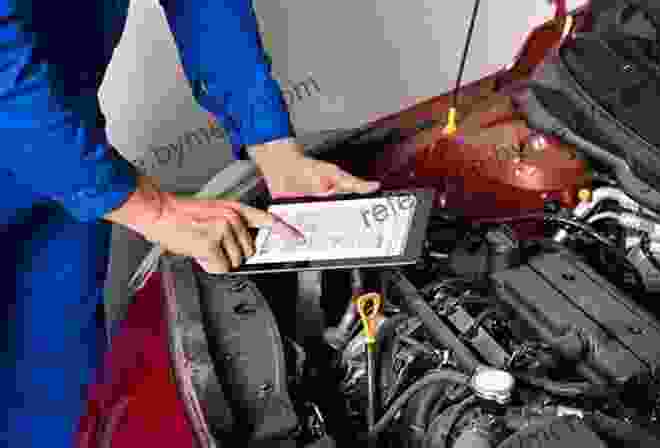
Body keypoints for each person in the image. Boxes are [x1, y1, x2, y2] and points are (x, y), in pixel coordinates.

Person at [0, 1, 379, 446]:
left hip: (60, 160)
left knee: (54, 399)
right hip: (45, 141)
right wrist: (152, 210)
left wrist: (271, 146)